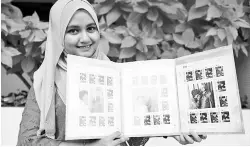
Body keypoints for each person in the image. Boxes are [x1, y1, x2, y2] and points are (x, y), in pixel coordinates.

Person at [17, 0, 207, 145]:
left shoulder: (115, 74)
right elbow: (27, 141)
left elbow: (131, 136)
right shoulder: (46, 81)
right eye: (73, 31)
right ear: (58, 35)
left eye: (91, 28)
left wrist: (173, 130)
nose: (85, 38)